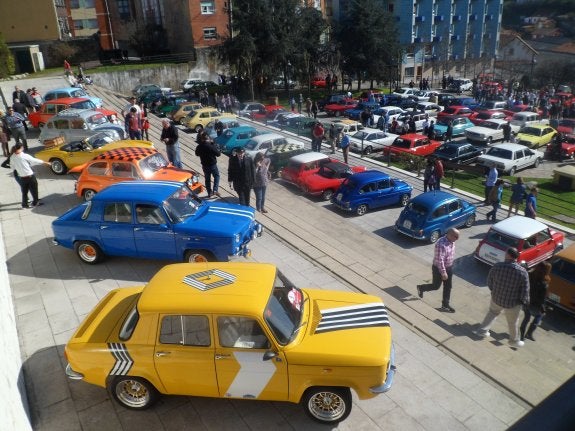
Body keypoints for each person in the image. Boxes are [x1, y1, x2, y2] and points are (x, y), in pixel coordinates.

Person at [475, 247, 530, 348]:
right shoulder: (522, 272)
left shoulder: (497, 266)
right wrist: (523, 302)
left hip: (496, 298)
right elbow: (525, 291)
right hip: (512, 303)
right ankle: (513, 341)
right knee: (513, 322)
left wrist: (494, 291)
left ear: (508, 255)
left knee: (492, 313)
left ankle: (482, 331)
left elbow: (489, 281)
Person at [416, 228, 459, 313]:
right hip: (439, 269)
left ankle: (445, 305)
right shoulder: (441, 244)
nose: (457, 239)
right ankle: (421, 288)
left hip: (449, 267)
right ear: (450, 235)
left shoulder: (452, 241)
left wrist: (449, 268)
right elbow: (440, 260)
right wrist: (444, 273)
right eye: (456, 237)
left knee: (448, 287)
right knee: (436, 286)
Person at [10, 143, 51, 208]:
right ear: (21, 148)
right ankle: (35, 202)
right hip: (30, 176)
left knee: (24, 192)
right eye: (22, 147)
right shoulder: (24, 155)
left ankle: (24, 204)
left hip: (22, 178)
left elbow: (13, 167)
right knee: (34, 189)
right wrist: (45, 162)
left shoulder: (12, 157)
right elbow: (35, 160)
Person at [520, 261, 550, 342]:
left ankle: (521, 336)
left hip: (526, 301)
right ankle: (529, 333)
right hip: (535, 305)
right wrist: (543, 309)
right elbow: (542, 300)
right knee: (539, 316)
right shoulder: (544, 284)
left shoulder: (530, 275)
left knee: (526, 318)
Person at [195, 131, 221, 198]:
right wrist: (213, 144)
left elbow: (196, 153)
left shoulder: (199, 146)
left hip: (205, 165)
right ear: (208, 138)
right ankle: (215, 190)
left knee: (207, 179)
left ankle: (209, 192)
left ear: (202, 139)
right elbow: (218, 154)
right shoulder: (210, 146)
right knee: (217, 176)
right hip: (212, 165)